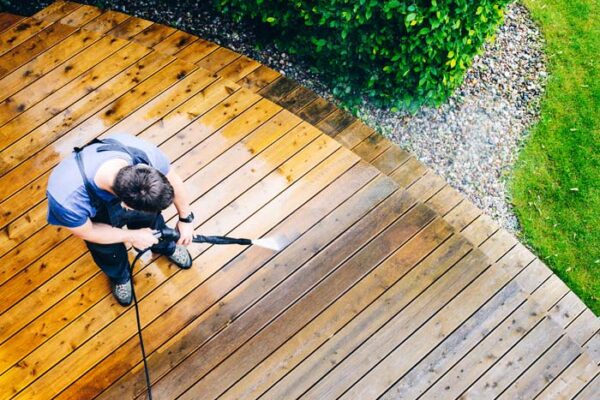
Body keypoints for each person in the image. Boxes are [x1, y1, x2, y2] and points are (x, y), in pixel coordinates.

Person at [46, 133, 195, 306]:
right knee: (108, 251)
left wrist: (186, 219)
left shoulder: (141, 153)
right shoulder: (67, 199)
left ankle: (165, 246)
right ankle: (120, 276)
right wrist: (131, 236)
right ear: (125, 205)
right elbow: (88, 232)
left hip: (124, 201)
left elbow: (172, 179)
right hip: (95, 221)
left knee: (153, 222)